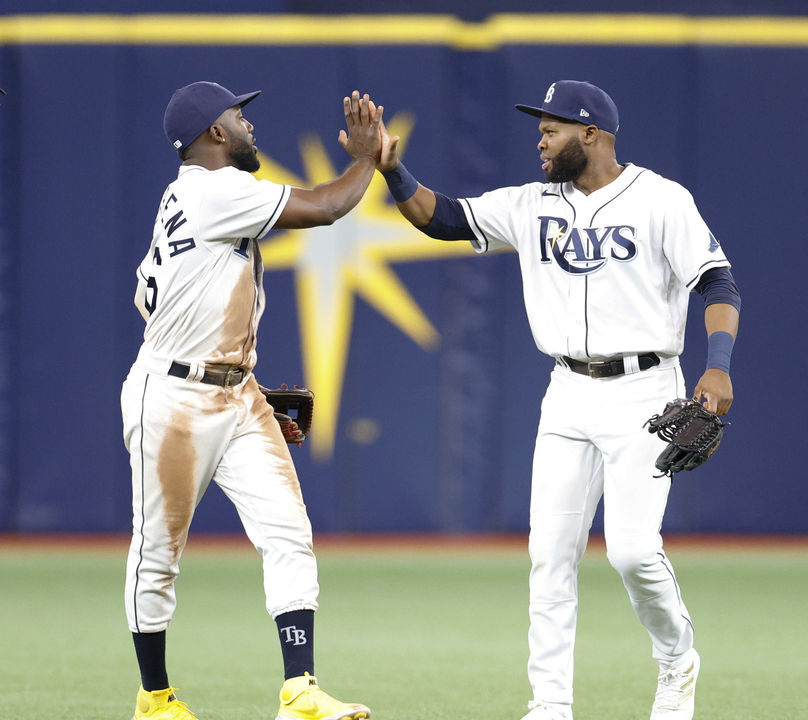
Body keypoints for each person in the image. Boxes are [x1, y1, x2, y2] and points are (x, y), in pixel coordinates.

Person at [374, 80, 740, 720]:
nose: (539, 142)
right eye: (539, 130)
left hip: (647, 391)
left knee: (631, 552)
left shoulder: (660, 199)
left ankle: (677, 659)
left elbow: (719, 284)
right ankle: (549, 705)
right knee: (550, 554)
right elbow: (443, 218)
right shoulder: (529, 204)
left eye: (552, 130)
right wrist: (392, 170)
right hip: (567, 391)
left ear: (591, 133)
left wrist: (718, 371)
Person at [121, 81, 382, 720]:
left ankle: (300, 690)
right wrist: (368, 158)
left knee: (289, 532)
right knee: (158, 552)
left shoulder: (185, 196)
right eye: (239, 116)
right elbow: (324, 207)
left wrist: (233, 372)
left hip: (236, 394)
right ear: (214, 133)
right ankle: (154, 698)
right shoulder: (214, 189)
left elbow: (150, 296)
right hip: (175, 398)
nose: (249, 126)